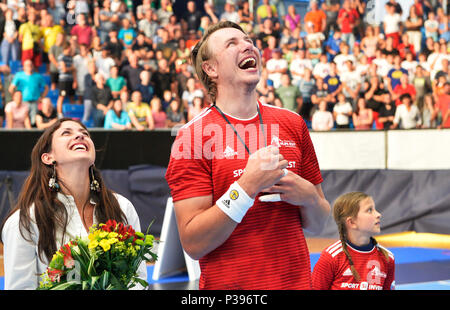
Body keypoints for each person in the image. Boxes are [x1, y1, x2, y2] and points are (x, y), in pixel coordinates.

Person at [166, 21, 330, 290]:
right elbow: (194, 243)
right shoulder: (192, 137)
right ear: (211, 69)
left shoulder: (293, 123)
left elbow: (320, 223)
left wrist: (310, 197)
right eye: (232, 43)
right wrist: (246, 188)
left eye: (248, 40)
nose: (248, 45)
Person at [0, 118, 146, 289]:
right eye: (66, 133)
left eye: (85, 133)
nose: (79, 136)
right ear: (48, 157)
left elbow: (138, 279)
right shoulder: (24, 221)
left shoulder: (122, 207)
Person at [311, 192, 395, 290]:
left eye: (375, 209)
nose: (378, 214)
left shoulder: (387, 258)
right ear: (351, 222)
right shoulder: (331, 257)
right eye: (369, 210)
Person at [8, 59, 48, 127]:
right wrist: (15, 98)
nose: (29, 66)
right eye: (27, 65)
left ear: (32, 66)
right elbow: (11, 88)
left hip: (35, 102)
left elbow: (46, 88)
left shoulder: (37, 76)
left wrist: (42, 97)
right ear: (23, 67)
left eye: (30, 65)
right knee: (24, 121)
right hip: (23, 102)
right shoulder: (19, 75)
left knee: (33, 121)